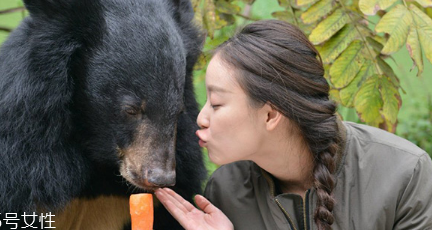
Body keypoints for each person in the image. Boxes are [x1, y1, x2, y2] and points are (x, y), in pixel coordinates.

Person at [155, 20, 432, 230]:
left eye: (216, 104)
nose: (200, 118)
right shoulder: (226, 191)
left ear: (270, 115)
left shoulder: (404, 175)